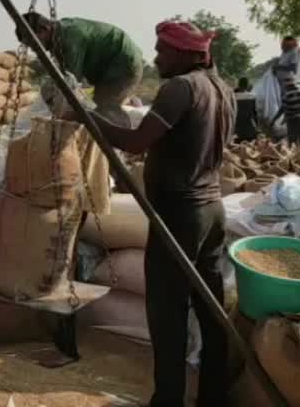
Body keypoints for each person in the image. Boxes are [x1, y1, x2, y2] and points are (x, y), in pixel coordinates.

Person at [74, 21, 235, 407]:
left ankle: (168, 400)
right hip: (212, 212)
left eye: (164, 50)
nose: (157, 57)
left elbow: (135, 142)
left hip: (180, 216)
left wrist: (84, 116)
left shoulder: (180, 88)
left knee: (168, 314)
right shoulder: (223, 90)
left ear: (186, 54)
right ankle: (213, 397)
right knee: (209, 310)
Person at [16, 13, 144, 128]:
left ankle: (124, 142)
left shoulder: (70, 39)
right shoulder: (59, 35)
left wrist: (64, 114)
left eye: (34, 43)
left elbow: (70, 82)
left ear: (45, 29)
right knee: (100, 111)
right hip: (109, 68)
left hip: (123, 64)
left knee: (104, 111)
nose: (34, 49)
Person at [270, 78, 300, 149]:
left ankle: (293, 158)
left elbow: (282, 110)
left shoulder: (286, 96)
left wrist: (273, 120)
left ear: (286, 86)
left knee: (292, 143)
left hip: (293, 121)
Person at [234, 77, 258, 142]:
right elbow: (254, 113)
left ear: (238, 85)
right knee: (251, 149)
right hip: (249, 128)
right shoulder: (252, 96)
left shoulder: (233, 96)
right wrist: (257, 126)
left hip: (236, 128)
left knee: (236, 149)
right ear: (247, 85)